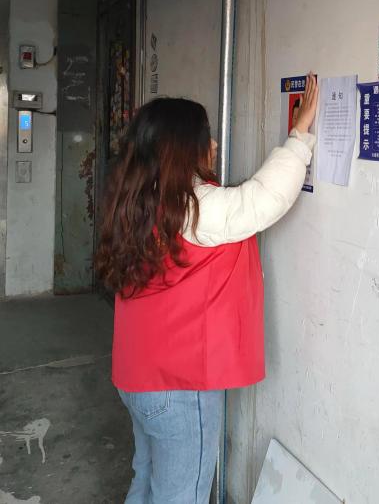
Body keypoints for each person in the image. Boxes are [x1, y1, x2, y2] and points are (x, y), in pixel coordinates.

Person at [94, 74, 320, 503]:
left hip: (136, 378)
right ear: (182, 150)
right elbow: (262, 200)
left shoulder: (138, 203)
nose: (214, 146)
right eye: (205, 139)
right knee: (182, 495)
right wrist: (299, 136)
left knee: (146, 478)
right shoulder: (192, 208)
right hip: (178, 389)